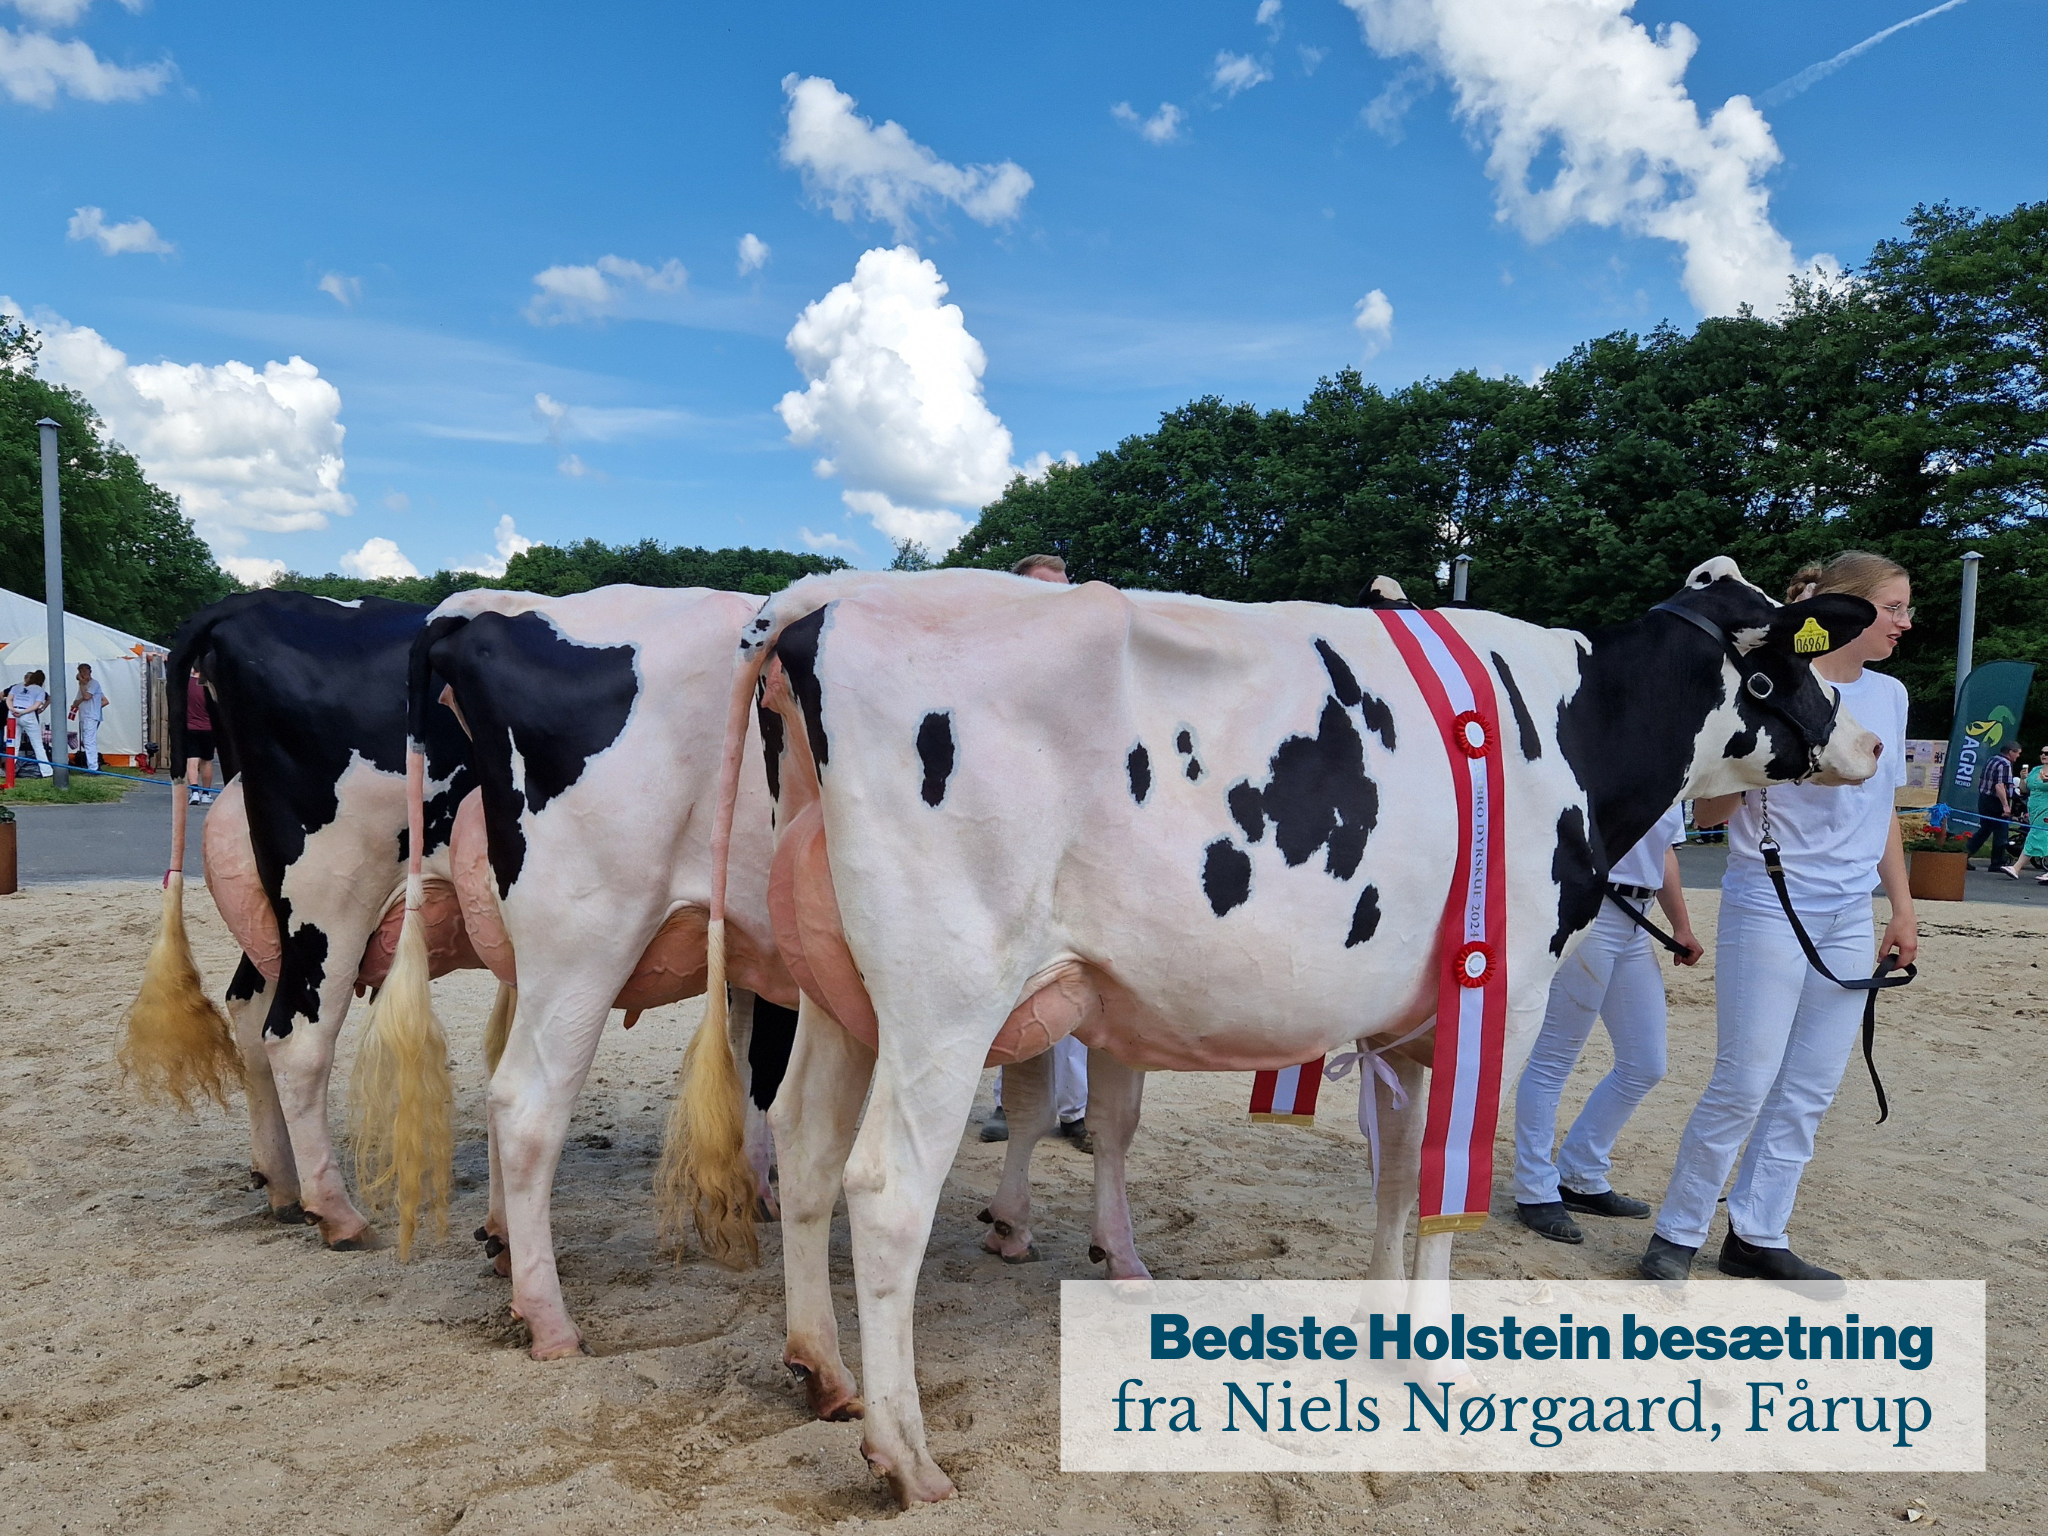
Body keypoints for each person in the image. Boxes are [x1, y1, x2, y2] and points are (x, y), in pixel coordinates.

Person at [1641, 551, 1918, 1284]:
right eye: (1893, 608)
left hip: (1850, 910)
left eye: (1905, 609)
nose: (1905, 623)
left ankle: (1758, 1233)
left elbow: (1881, 808)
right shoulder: (1775, 681)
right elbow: (1707, 809)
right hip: (1770, 896)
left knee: (1812, 1085)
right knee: (1745, 1077)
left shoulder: (1889, 695)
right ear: (1849, 611)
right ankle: (1677, 1232)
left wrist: (1903, 907)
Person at [1512, 802, 1703, 1243]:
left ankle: (1579, 1171)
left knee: (1645, 1062)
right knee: (1554, 1056)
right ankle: (1535, 1187)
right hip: (1594, 909)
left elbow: (1665, 852)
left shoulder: (1672, 769)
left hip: (1640, 917)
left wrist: (1682, 924)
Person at [982, 551, 1090, 1147]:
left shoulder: (1084, 670)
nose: (1055, 602)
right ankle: (1010, 1100)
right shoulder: (996, 671)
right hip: (1011, 841)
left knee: (1077, 970)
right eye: (1040, 591)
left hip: (1074, 842)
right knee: (1011, 969)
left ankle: (1075, 1111)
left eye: (1062, 590)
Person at [1966, 741, 2022, 878]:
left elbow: (1982, 779)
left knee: (1985, 829)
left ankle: (1964, 854)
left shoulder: (1992, 759)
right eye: (2018, 753)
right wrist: (2005, 805)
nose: (2018, 756)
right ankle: (1997, 862)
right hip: (1995, 801)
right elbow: (1999, 785)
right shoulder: (2005, 764)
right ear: (2011, 752)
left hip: (1984, 798)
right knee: (2001, 830)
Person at [2010, 745, 2048, 882]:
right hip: (2033, 808)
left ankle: (2016, 867)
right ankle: (2016, 868)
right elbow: (2024, 789)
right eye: (2041, 752)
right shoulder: (2036, 770)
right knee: (2041, 836)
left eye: (2047, 753)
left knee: (2037, 834)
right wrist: (2023, 779)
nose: (2044, 755)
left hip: (2046, 808)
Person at [6, 669, 51, 778]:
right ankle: (46, 771)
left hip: (12, 714)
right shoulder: (39, 690)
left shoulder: (17, 686)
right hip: (27, 714)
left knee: (12, 744)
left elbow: (9, 699)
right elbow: (36, 705)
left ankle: (10, 770)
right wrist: (23, 712)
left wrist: (12, 709)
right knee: (37, 744)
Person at [185, 671, 219, 805]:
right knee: (207, 761)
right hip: (208, 728)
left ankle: (194, 792)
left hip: (191, 726)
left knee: (192, 761)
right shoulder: (211, 685)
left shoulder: (187, 684)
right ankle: (206, 793)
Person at [69, 662, 106, 773]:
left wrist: (81, 684)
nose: (82, 674)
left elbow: (87, 696)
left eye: (84, 671)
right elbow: (76, 702)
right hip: (84, 716)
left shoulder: (93, 684)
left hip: (91, 716)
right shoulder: (83, 687)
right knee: (87, 741)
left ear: (90, 671)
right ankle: (92, 764)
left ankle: (93, 767)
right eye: (80, 671)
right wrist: (81, 698)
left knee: (89, 741)